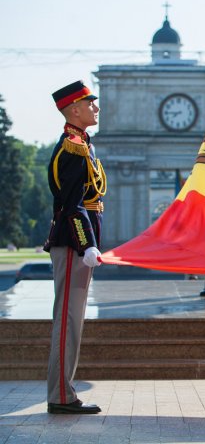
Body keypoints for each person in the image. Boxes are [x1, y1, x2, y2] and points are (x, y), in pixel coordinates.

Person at [43, 80, 106, 414]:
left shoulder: (83, 143)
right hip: (72, 243)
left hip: (77, 244)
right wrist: (86, 245)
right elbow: (72, 204)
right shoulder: (73, 146)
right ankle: (61, 397)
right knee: (67, 323)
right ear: (74, 110)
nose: (95, 108)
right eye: (90, 104)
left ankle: (63, 393)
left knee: (72, 323)